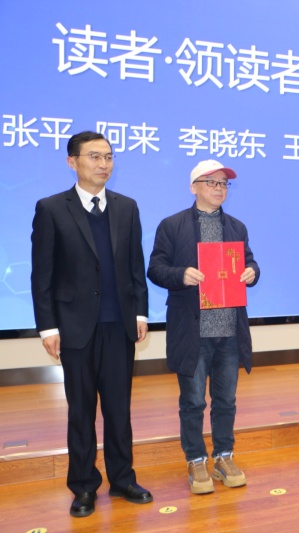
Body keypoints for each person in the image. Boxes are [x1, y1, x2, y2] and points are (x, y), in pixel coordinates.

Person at [30, 131, 151, 517]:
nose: (104, 164)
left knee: (119, 409)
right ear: (73, 162)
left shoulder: (127, 207)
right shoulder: (51, 208)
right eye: (95, 156)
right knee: (80, 412)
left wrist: (140, 312)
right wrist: (48, 327)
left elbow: (135, 265)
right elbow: (42, 274)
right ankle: (83, 486)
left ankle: (123, 479)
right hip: (74, 327)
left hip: (119, 326)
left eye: (109, 157)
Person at [147, 160, 259, 494]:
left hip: (229, 328)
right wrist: (180, 274)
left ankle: (224, 456)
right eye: (211, 182)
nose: (219, 189)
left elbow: (250, 262)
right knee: (193, 400)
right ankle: (196, 459)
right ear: (193, 187)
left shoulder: (236, 227)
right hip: (192, 329)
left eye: (223, 183)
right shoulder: (172, 225)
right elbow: (155, 268)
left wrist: (252, 272)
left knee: (226, 399)